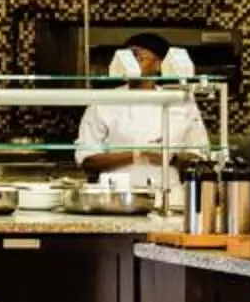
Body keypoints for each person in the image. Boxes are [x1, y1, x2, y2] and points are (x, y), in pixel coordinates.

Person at [75, 32, 211, 195]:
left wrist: (171, 157)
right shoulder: (104, 102)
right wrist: (138, 154)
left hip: (168, 196)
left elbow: (200, 157)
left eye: (139, 57)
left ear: (159, 65)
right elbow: (88, 161)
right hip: (116, 195)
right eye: (127, 59)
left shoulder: (181, 101)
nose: (131, 64)